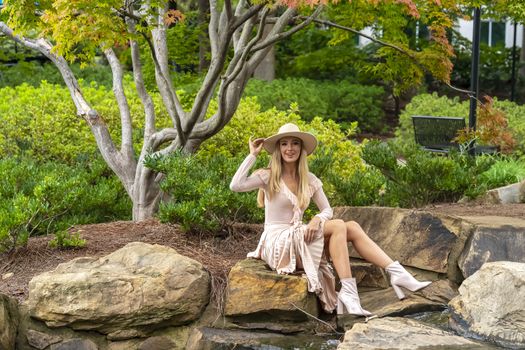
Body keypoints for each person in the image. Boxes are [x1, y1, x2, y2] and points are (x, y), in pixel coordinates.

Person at [230, 123, 430, 316]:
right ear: (278, 149)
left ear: (302, 148)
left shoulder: (310, 179)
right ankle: (350, 293)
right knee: (338, 226)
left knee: (350, 226)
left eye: (295, 143)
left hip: (297, 236)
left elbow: (327, 209)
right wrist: (252, 155)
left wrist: (317, 218)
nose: (289, 148)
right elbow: (236, 185)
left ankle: (396, 273)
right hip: (276, 242)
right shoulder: (268, 176)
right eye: (284, 144)